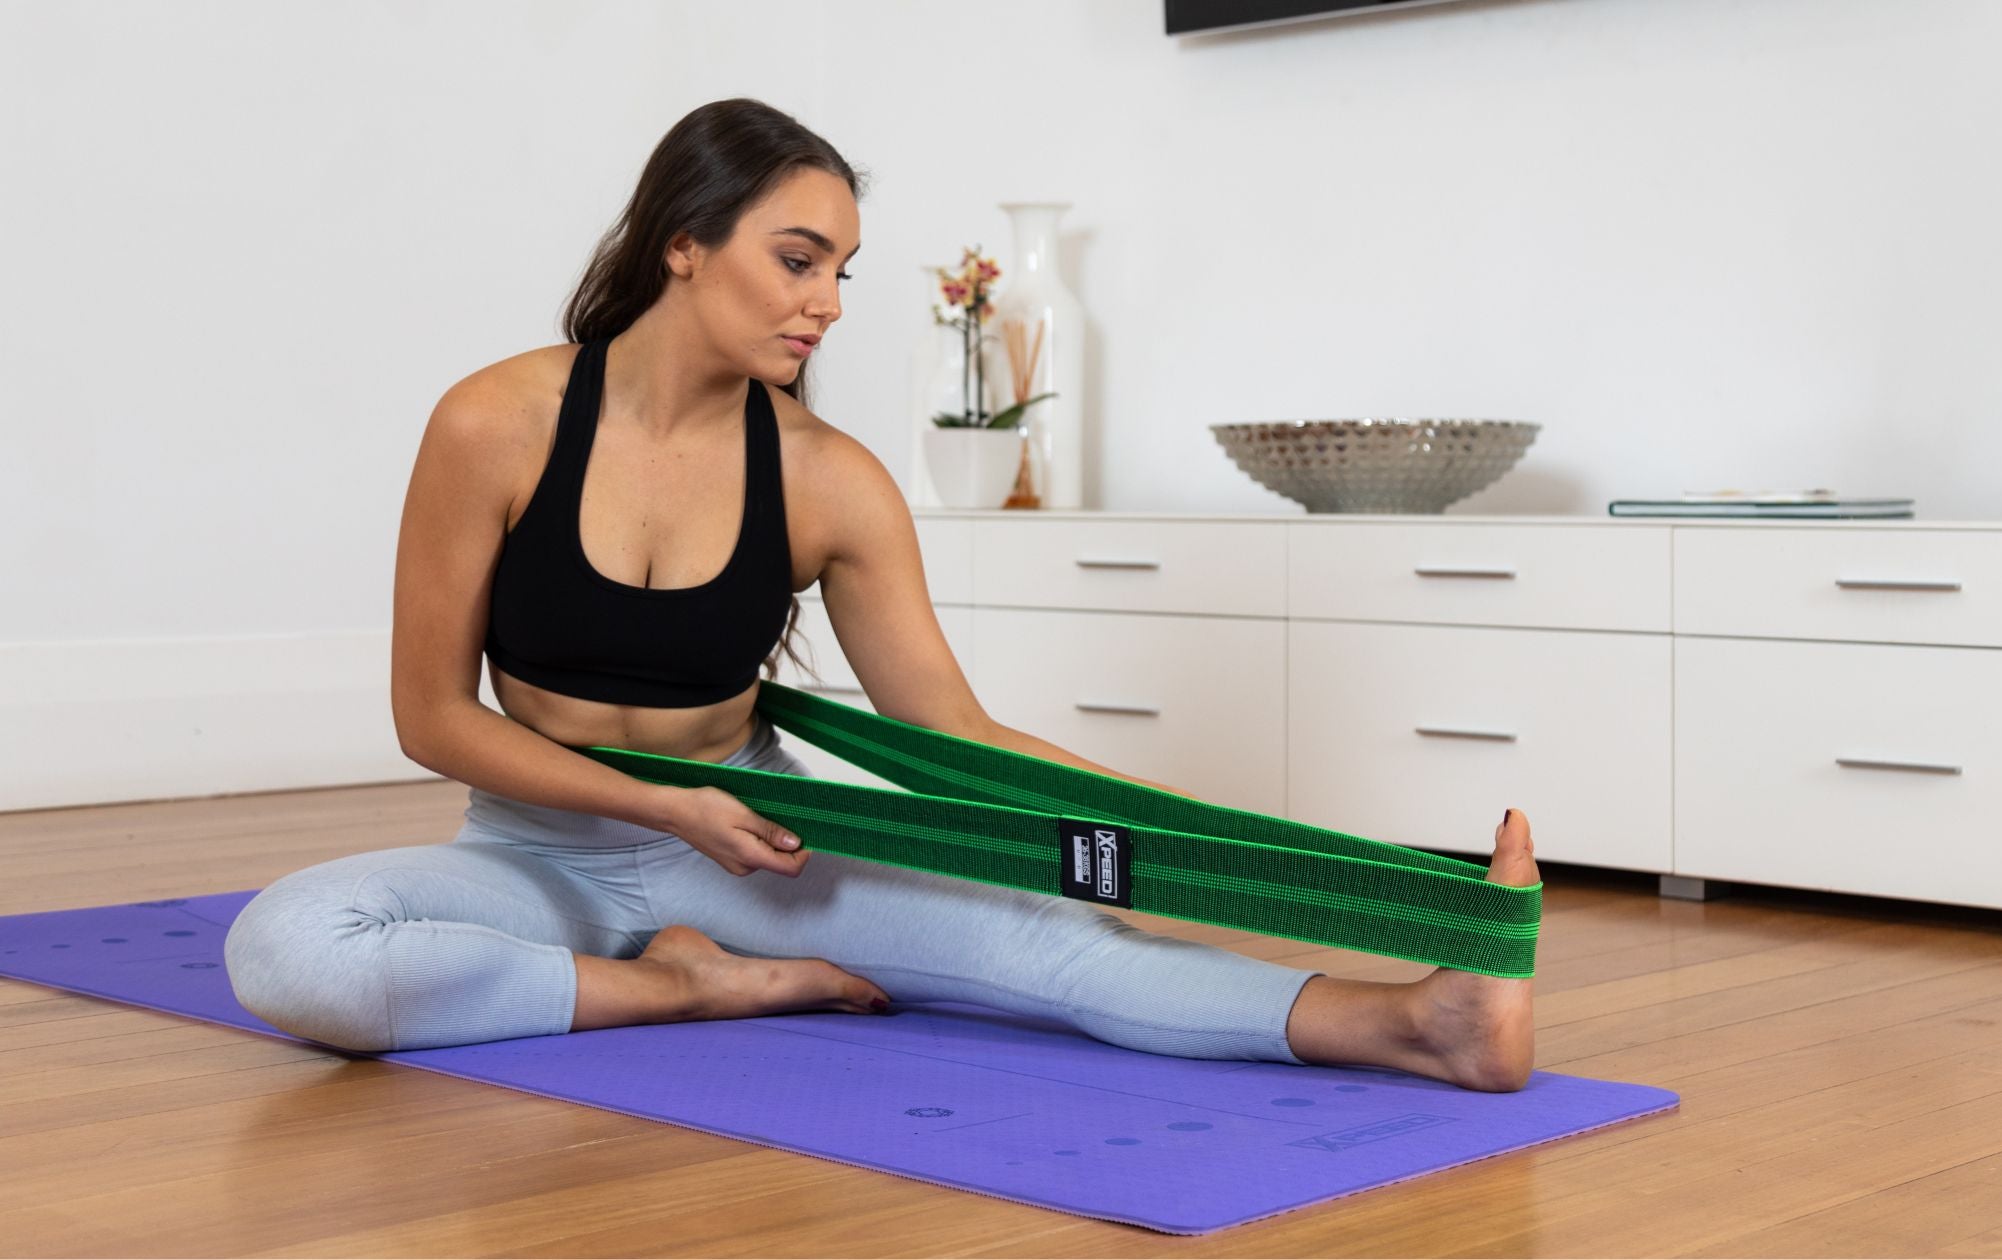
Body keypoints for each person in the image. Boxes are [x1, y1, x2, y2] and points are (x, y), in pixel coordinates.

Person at [223, 98, 1539, 1092]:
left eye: (842, 271)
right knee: (291, 948)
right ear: (683, 242)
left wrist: (1191, 835)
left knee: (1060, 943)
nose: (829, 305)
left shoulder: (828, 481)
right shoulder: (493, 425)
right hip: (532, 859)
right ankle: (679, 991)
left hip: (765, 853)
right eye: (799, 260)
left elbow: (951, 739)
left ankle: (1420, 1021)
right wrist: (663, 805)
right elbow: (429, 719)